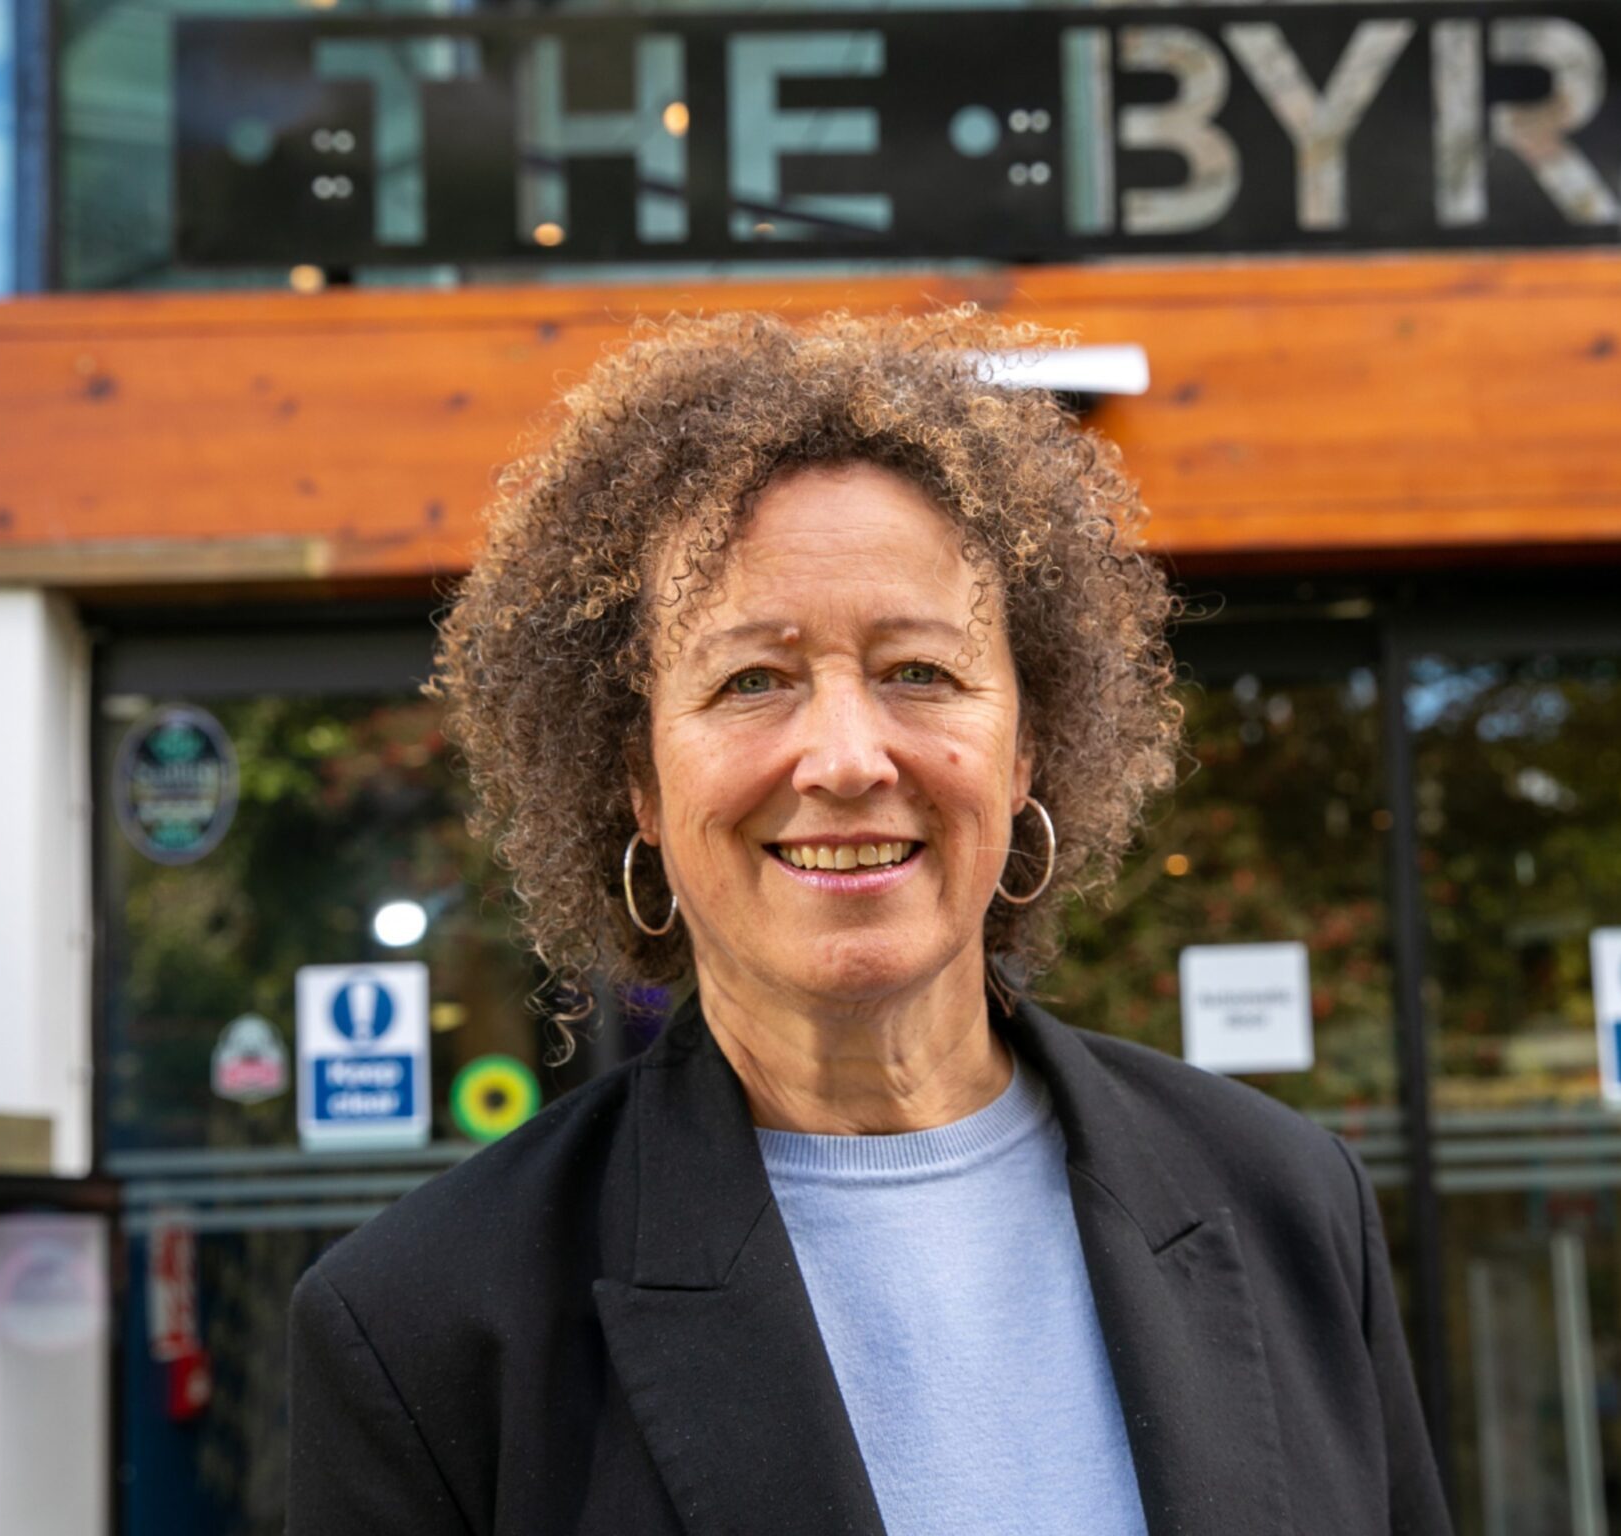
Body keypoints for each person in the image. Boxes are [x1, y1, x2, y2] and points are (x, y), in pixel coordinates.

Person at [286, 309, 1449, 1536]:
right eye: (752, 681)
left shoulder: (1284, 1200)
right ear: (637, 780)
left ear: (1024, 750)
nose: (846, 757)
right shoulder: (424, 1328)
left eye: (918, 672)